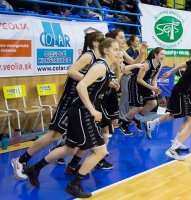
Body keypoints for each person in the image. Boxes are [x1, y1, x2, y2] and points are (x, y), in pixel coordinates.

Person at [23, 38, 120, 199]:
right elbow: (81, 86)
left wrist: (110, 85)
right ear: (107, 50)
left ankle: (35, 168)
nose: (118, 52)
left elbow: (95, 86)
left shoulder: (107, 68)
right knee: (100, 151)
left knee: (70, 149)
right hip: (82, 111)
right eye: (116, 49)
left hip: (82, 112)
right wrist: (92, 110)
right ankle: (74, 185)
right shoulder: (100, 66)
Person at [11, 31, 104, 180]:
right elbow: (71, 71)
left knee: (71, 142)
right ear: (95, 43)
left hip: (80, 103)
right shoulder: (89, 55)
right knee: (53, 134)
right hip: (70, 99)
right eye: (103, 39)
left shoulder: (99, 60)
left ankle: (62, 158)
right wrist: (89, 79)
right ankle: (21, 160)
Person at [145, 42, 191, 143]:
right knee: (178, 115)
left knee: (186, 116)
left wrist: (170, 72)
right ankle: (156, 126)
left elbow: (182, 65)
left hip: (184, 92)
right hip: (181, 92)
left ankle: (177, 140)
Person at [119, 47, 165, 135]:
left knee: (153, 103)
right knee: (138, 107)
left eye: (164, 54)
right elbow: (139, 79)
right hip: (135, 83)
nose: (164, 56)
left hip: (144, 83)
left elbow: (154, 79)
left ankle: (137, 119)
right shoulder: (147, 64)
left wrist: (155, 89)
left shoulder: (159, 64)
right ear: (155, 55)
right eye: (162, 54)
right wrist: (151, 88)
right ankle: (123, 123)